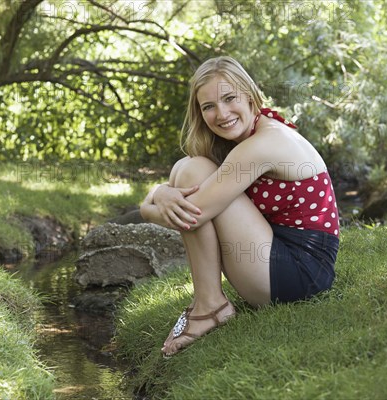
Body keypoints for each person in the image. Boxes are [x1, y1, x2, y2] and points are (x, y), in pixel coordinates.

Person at [139, 56, 340, 357]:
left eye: (229, 98)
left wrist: (151, 201)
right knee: (187, 167)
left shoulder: (262, 145)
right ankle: (208, 302)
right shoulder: (257, 130)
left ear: (249, 94)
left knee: (192, 172)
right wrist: (162, 192)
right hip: (282, 256)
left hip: (300, 273)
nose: (221, 114)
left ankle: (210, 307)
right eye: (208, 106)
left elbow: (193, 215)